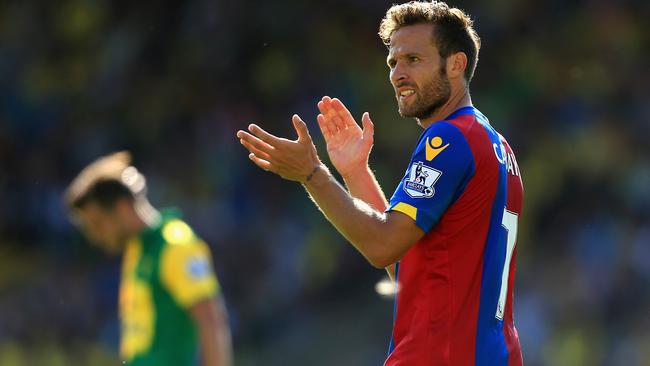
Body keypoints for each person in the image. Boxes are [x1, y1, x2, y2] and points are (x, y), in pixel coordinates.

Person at [237, 1, 525, 364]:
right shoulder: (495, 145)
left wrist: (311, 174)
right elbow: (408, 262)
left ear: (456, 64)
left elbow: (383, 247)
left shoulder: (450, 139)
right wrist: (355, 171)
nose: (397, 73)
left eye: (413, 60)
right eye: (393, 62)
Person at [64, 151, 233, 366]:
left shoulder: (175, 244)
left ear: (122, 207)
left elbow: (211, 321)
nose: (96, 237)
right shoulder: (139, 251)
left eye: (98, 224)